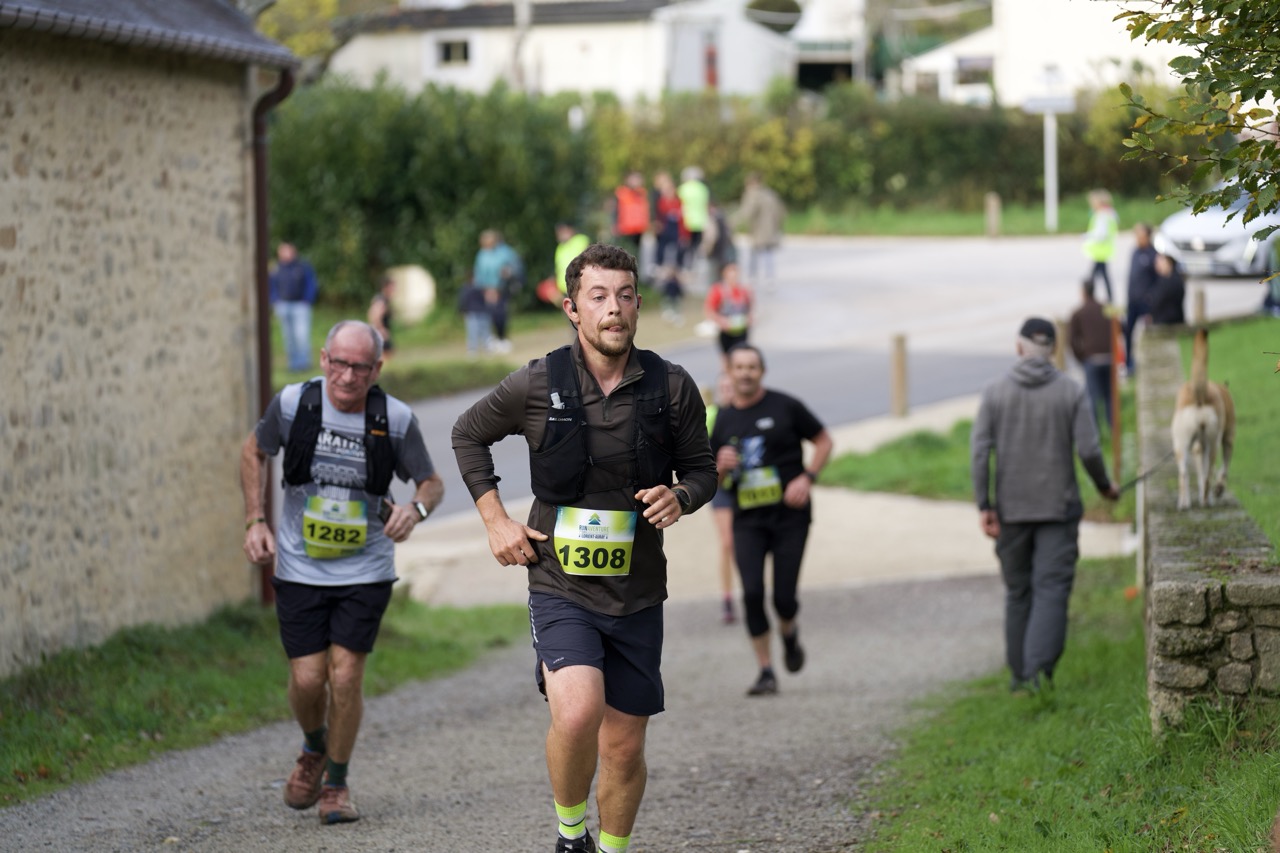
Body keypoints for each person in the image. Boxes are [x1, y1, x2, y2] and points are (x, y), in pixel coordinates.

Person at [451, 243, 718, 853]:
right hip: (560, 582)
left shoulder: (672, 386)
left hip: (637, 590)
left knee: (623, 745)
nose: (613, 309)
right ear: (572, 309)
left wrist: (681, 496)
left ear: (639, 304)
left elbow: (703, 471)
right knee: (576, 714)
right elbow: (468, 433)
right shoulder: (539, 381)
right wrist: (496, 521)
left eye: (624, 296)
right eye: (598, 297)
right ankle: (571, 836)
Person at [240, 320, 444, 824]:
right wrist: (255, 520)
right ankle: (314, 746)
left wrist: (414, 511)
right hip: (299, 565)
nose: (348, 376)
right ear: (323, 359)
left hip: (366, 568)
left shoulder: (395, 418)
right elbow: (254, 450)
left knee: (346, 674)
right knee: (308, 679)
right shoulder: (294, 404)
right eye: (339, 363)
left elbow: (431, 482)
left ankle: (335, 784)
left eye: (360, 367)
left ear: (377, 369)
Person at [969, 317, 1119, 694]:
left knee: (1018, 591)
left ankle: (1020, 677)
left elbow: (979, 452)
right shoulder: (1071, 391)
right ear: (1053, 350)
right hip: (1058, 510)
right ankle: (1038, 675)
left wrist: (985, 504)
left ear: (1018, 347)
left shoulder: (994, 392)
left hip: (1011, 511)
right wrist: (1104, 486)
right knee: (1051, 589)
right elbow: (1089, 449)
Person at [709, 344, 834, 697]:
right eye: (739, 367)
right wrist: (720, 467)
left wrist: (807, 477)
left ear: (761, 371)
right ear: (729, 373)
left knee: (784, 598)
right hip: (747, 519)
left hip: (790, 516)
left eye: (752, 367)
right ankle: (766, 670)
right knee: (751, 594)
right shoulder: (723, 420)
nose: (746, 373)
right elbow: (710, 480)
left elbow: (824, 441)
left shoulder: (785, 406)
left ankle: (789, 635)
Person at [704, 373, 738, 625]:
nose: (727, 391)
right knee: (728, 542)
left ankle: (754, 591)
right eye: (723, 387)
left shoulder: (748, 412)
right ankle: (728, 597)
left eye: (731, 387)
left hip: (746, 486)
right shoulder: (711, 416)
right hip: (721, 486)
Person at [1067, 279, 1114, 433]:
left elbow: (1071, 340)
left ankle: (1095, 434)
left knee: (1092, 397)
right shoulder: (1106, 309)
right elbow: (1120, 328)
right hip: (1109, 358)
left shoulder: (1078, 313)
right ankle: (1112, 431)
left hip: (1091, 359)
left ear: (1083, 292)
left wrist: (1081, 357)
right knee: (1109, 396)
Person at [269, 241, 319, 372]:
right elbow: (271, 286)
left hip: (300, 306)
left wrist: (307, 300)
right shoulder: (276, 268)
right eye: (282, 251)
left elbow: (311, 284)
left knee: (301, 335)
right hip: (283, 306)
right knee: (288, 337)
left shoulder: (302, 267)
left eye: (287, 250)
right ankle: (293, 364)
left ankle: (303, 363)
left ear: (293, 251)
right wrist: (275, 300)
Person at [732, 173, 785, 289]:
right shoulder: (770, 194)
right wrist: (777, 226)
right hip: (771, 229)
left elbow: (747, 212)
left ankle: (752, 277)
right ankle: (769, 278)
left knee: (754, 253)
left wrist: (733, 222)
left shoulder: (753, 195)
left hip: (759, 230)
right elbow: (780, 211)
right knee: (768, 254)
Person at [474, 229, 523, 353]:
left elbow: (514, 267)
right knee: (491, 315)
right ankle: (495, 338)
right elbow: (479, 273)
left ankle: (503, 338)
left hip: (502, 288)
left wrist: (498, 285)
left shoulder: (504, 252)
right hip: (487, 289)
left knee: (500, 313)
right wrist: (486, 289)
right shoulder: (481, 254)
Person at [703, 261, 753, 373]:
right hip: (726, 332)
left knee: (741, 358)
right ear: (724, 273)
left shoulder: (744, 290)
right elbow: (710, 309)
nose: (733, 274)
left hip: (742, 331)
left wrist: (749, 318)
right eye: (730, 270)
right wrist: (721, 321)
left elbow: (749, 307)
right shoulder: (718, 290)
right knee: (726, 360)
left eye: (735, 270)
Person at [651, 171, 687, 323]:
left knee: (675, 274)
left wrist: (683, 237)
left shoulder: (678, 203)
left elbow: (682, 222)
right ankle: (667, 303)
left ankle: (675, 304)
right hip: (664, 248)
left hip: (675, 245)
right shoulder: (659, 205)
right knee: (665, 276)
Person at [1124, 223, 1159, 373]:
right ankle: (1128, 363)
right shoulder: (1134, 252)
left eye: (1140, 236)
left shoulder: (1153, 255)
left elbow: (1157, 282)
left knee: (1148, 334)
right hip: (1132, 302)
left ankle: (1150, 362)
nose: (1138, 239)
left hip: (1146, 304)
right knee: (1128, 332)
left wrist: (1152, 302)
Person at [1083, 189, 1118, 303]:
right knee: (1103, 275)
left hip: (1100, 251)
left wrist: (1087, 236)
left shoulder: (1102, 216)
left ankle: (1089, 297)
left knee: (1093, 277)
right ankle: (1109, 298)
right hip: (1103, 251)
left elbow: (1100, 234)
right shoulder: (1109, 214)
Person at [610, 170, 650, 262]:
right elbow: (615, 210)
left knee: (636, 254)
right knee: (624, 253)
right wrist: (614, 224)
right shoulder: (621, 193)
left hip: (638, 229)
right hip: (625, 229)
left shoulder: (642, 193)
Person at [677, 166, 710, 272]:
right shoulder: (703, 188)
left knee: (684, 245)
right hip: (700, 221)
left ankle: (682, 267)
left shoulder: (683, 188)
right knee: (696, 246)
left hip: (686, 221)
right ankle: (693, 266)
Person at [458, 273, 492, 356]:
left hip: (483, 311)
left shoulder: (482, 288)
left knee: (485, 331)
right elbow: (463, 300)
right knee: (473, 331)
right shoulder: (467, 288)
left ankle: (486, 347)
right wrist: (462, 310)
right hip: (472, 312)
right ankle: (473, 349)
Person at [1148, 253, 1186, 326]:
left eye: (1159, 261)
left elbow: (1158, 300)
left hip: (1168, 324)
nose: (1157, 264)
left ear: (1167, 262)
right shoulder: (1162, 279)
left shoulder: (1172, 280)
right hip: (1163, 321)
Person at [555, 222, 591, 295]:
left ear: (570, 230)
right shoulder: (559, 248)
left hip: (580, 286)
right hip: (565, 290)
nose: (561, 235)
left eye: (563, 231)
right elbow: (558, 269)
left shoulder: (581, 240)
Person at [367, 276, 396, 356]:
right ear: (385, 287)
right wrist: (381, 329)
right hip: (380, 332)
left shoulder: (385, 300)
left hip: (381, 332)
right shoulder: (381, 300)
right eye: (392, 286)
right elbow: (374, 315)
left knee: (389, 353)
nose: (394, 289)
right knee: (385, 354)